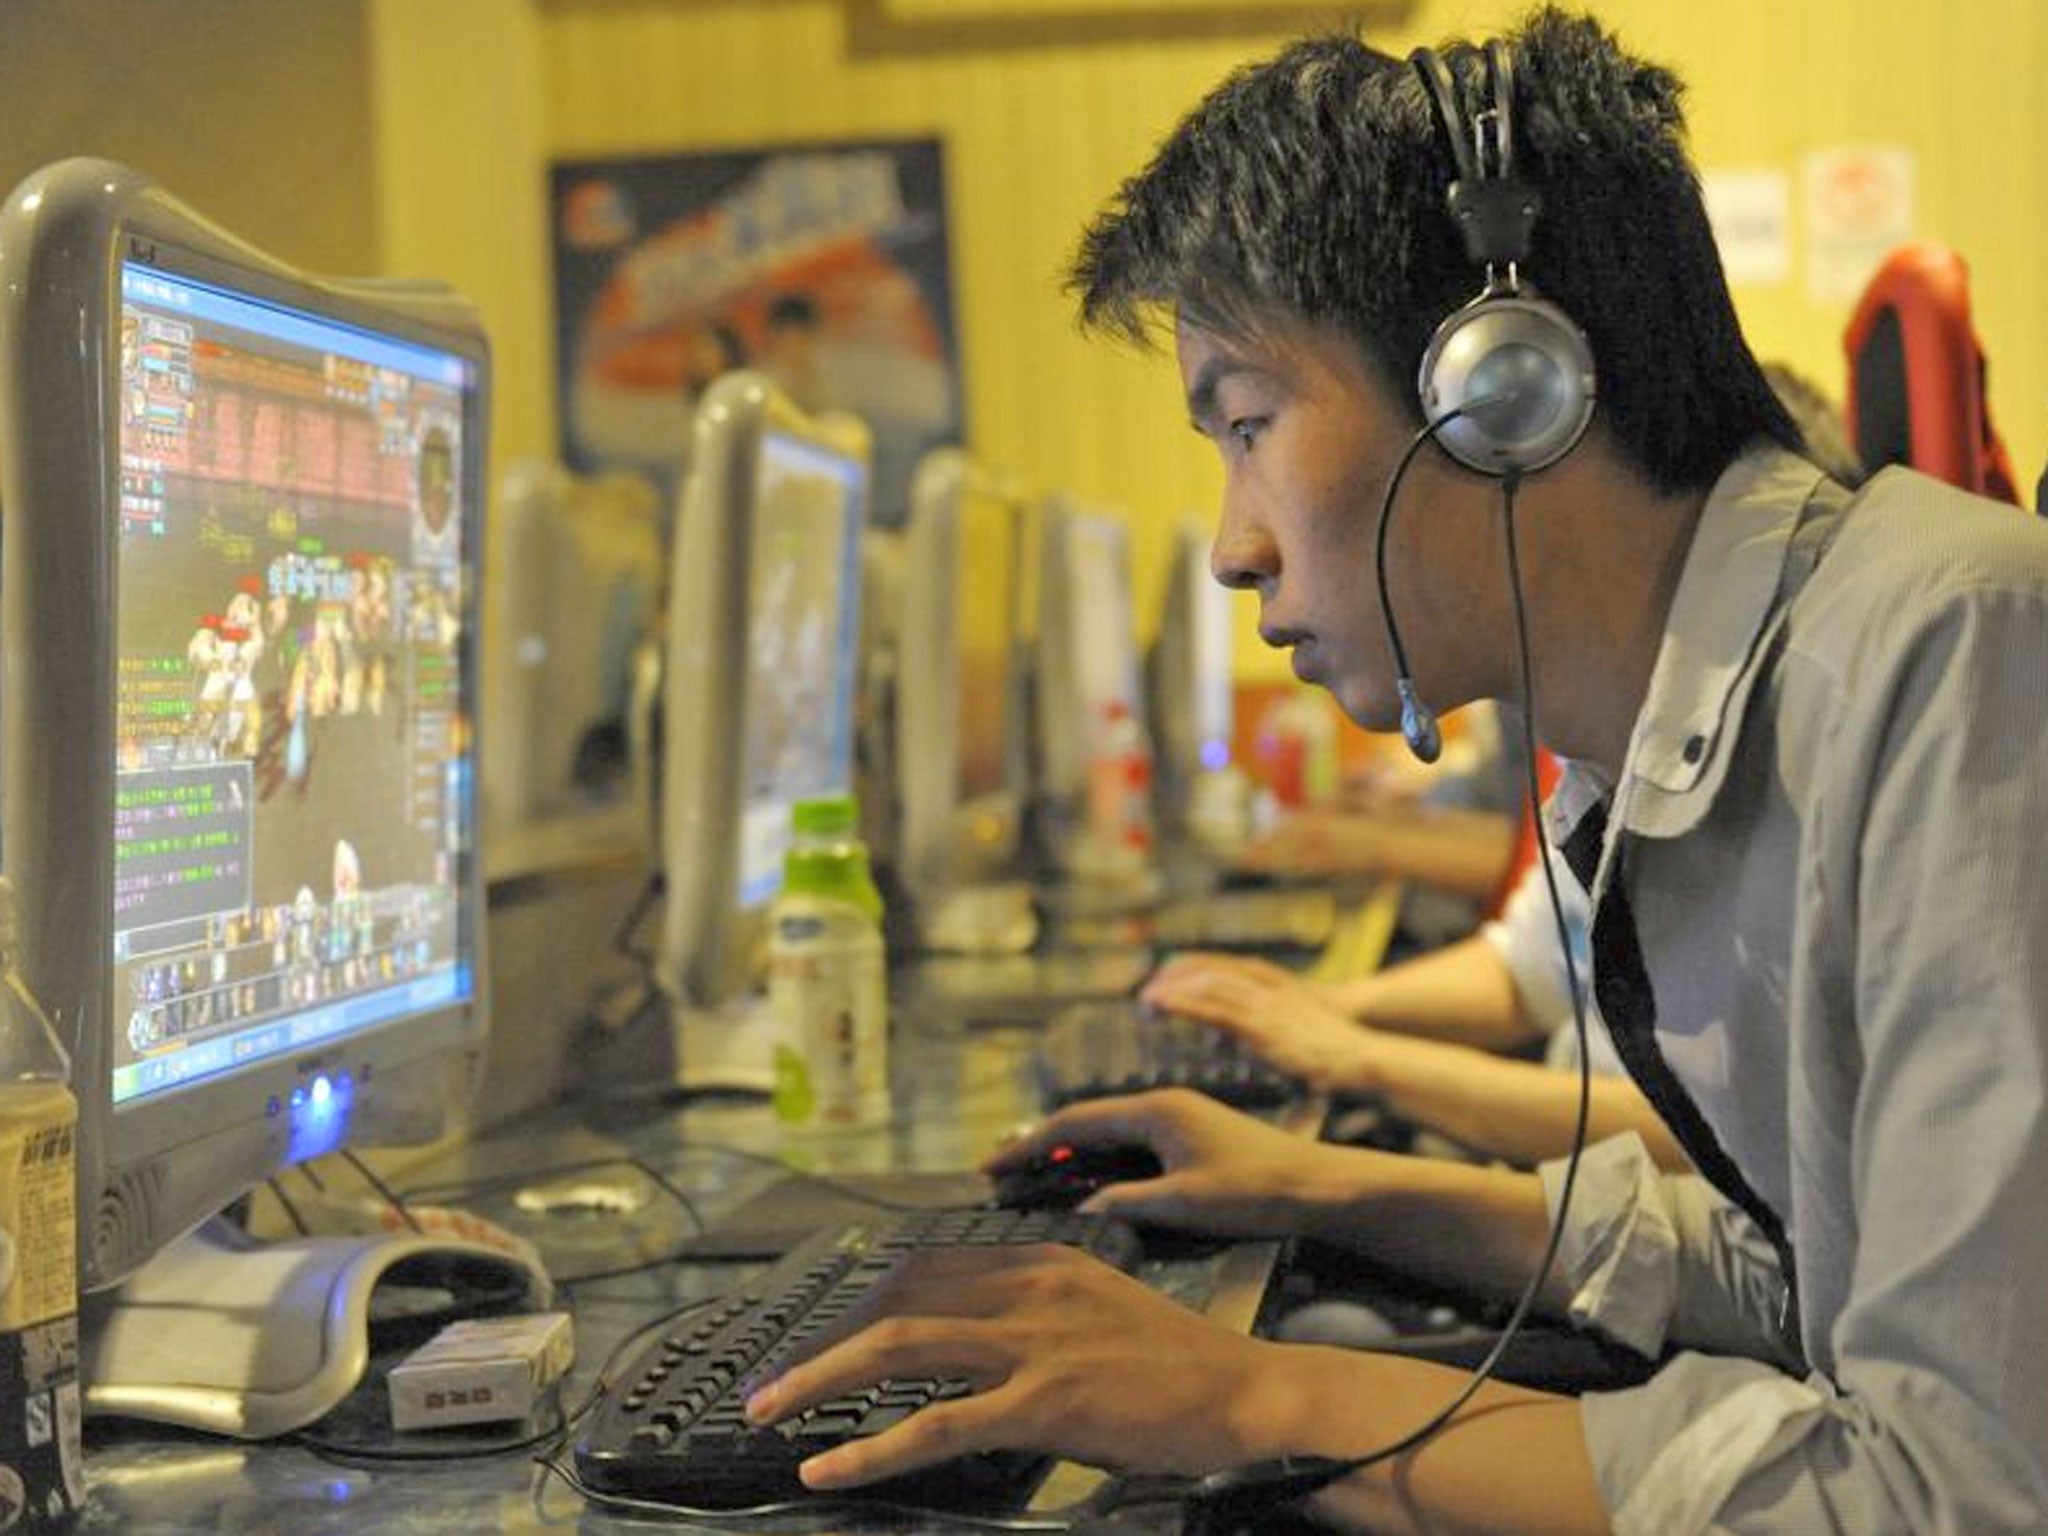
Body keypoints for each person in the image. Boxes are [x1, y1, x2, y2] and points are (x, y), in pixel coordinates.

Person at [744, 12, 2048, 1532]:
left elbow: (1958, 1488)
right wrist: (1327, 1195)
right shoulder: (1683, 724)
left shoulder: (1957, 658)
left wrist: (1247, 1396)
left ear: (1508, 396)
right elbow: (1813, 1266)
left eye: (1247, 426)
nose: (1233, 546)